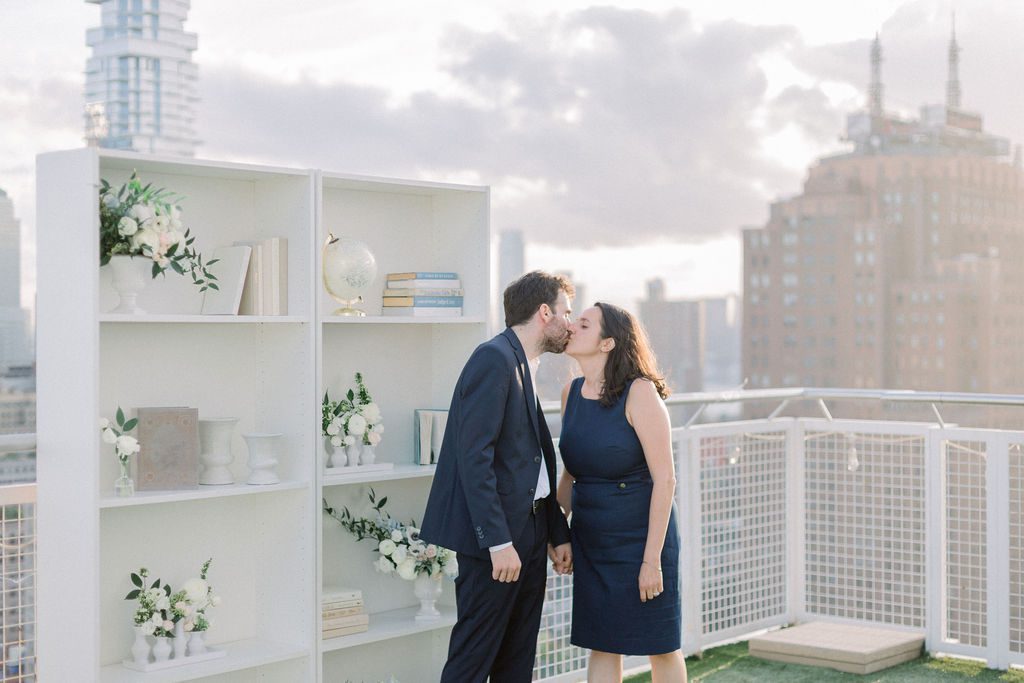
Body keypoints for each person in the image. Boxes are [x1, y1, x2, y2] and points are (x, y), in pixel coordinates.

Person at [421, 270, 575, 683]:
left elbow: (531, 464)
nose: (570, 323)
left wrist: (556, 531)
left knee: (516, 663)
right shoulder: (494, 358)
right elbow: (474, 458)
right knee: (472, 662)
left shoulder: (524, 363)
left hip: (529, 536)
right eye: (566, 312)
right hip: (497, 546)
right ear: (544, 312)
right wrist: (499, 542)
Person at [557, 302, 687, 682]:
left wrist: (651, 561)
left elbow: (666, 480)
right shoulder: (571, 392)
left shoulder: (640, 393)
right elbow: (571, 473)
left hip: (643, 539)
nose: (572, 327)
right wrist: (556, 531)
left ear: (608, 343)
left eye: (583, 324)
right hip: (592, 539)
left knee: (660, 645)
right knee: (602, 642)